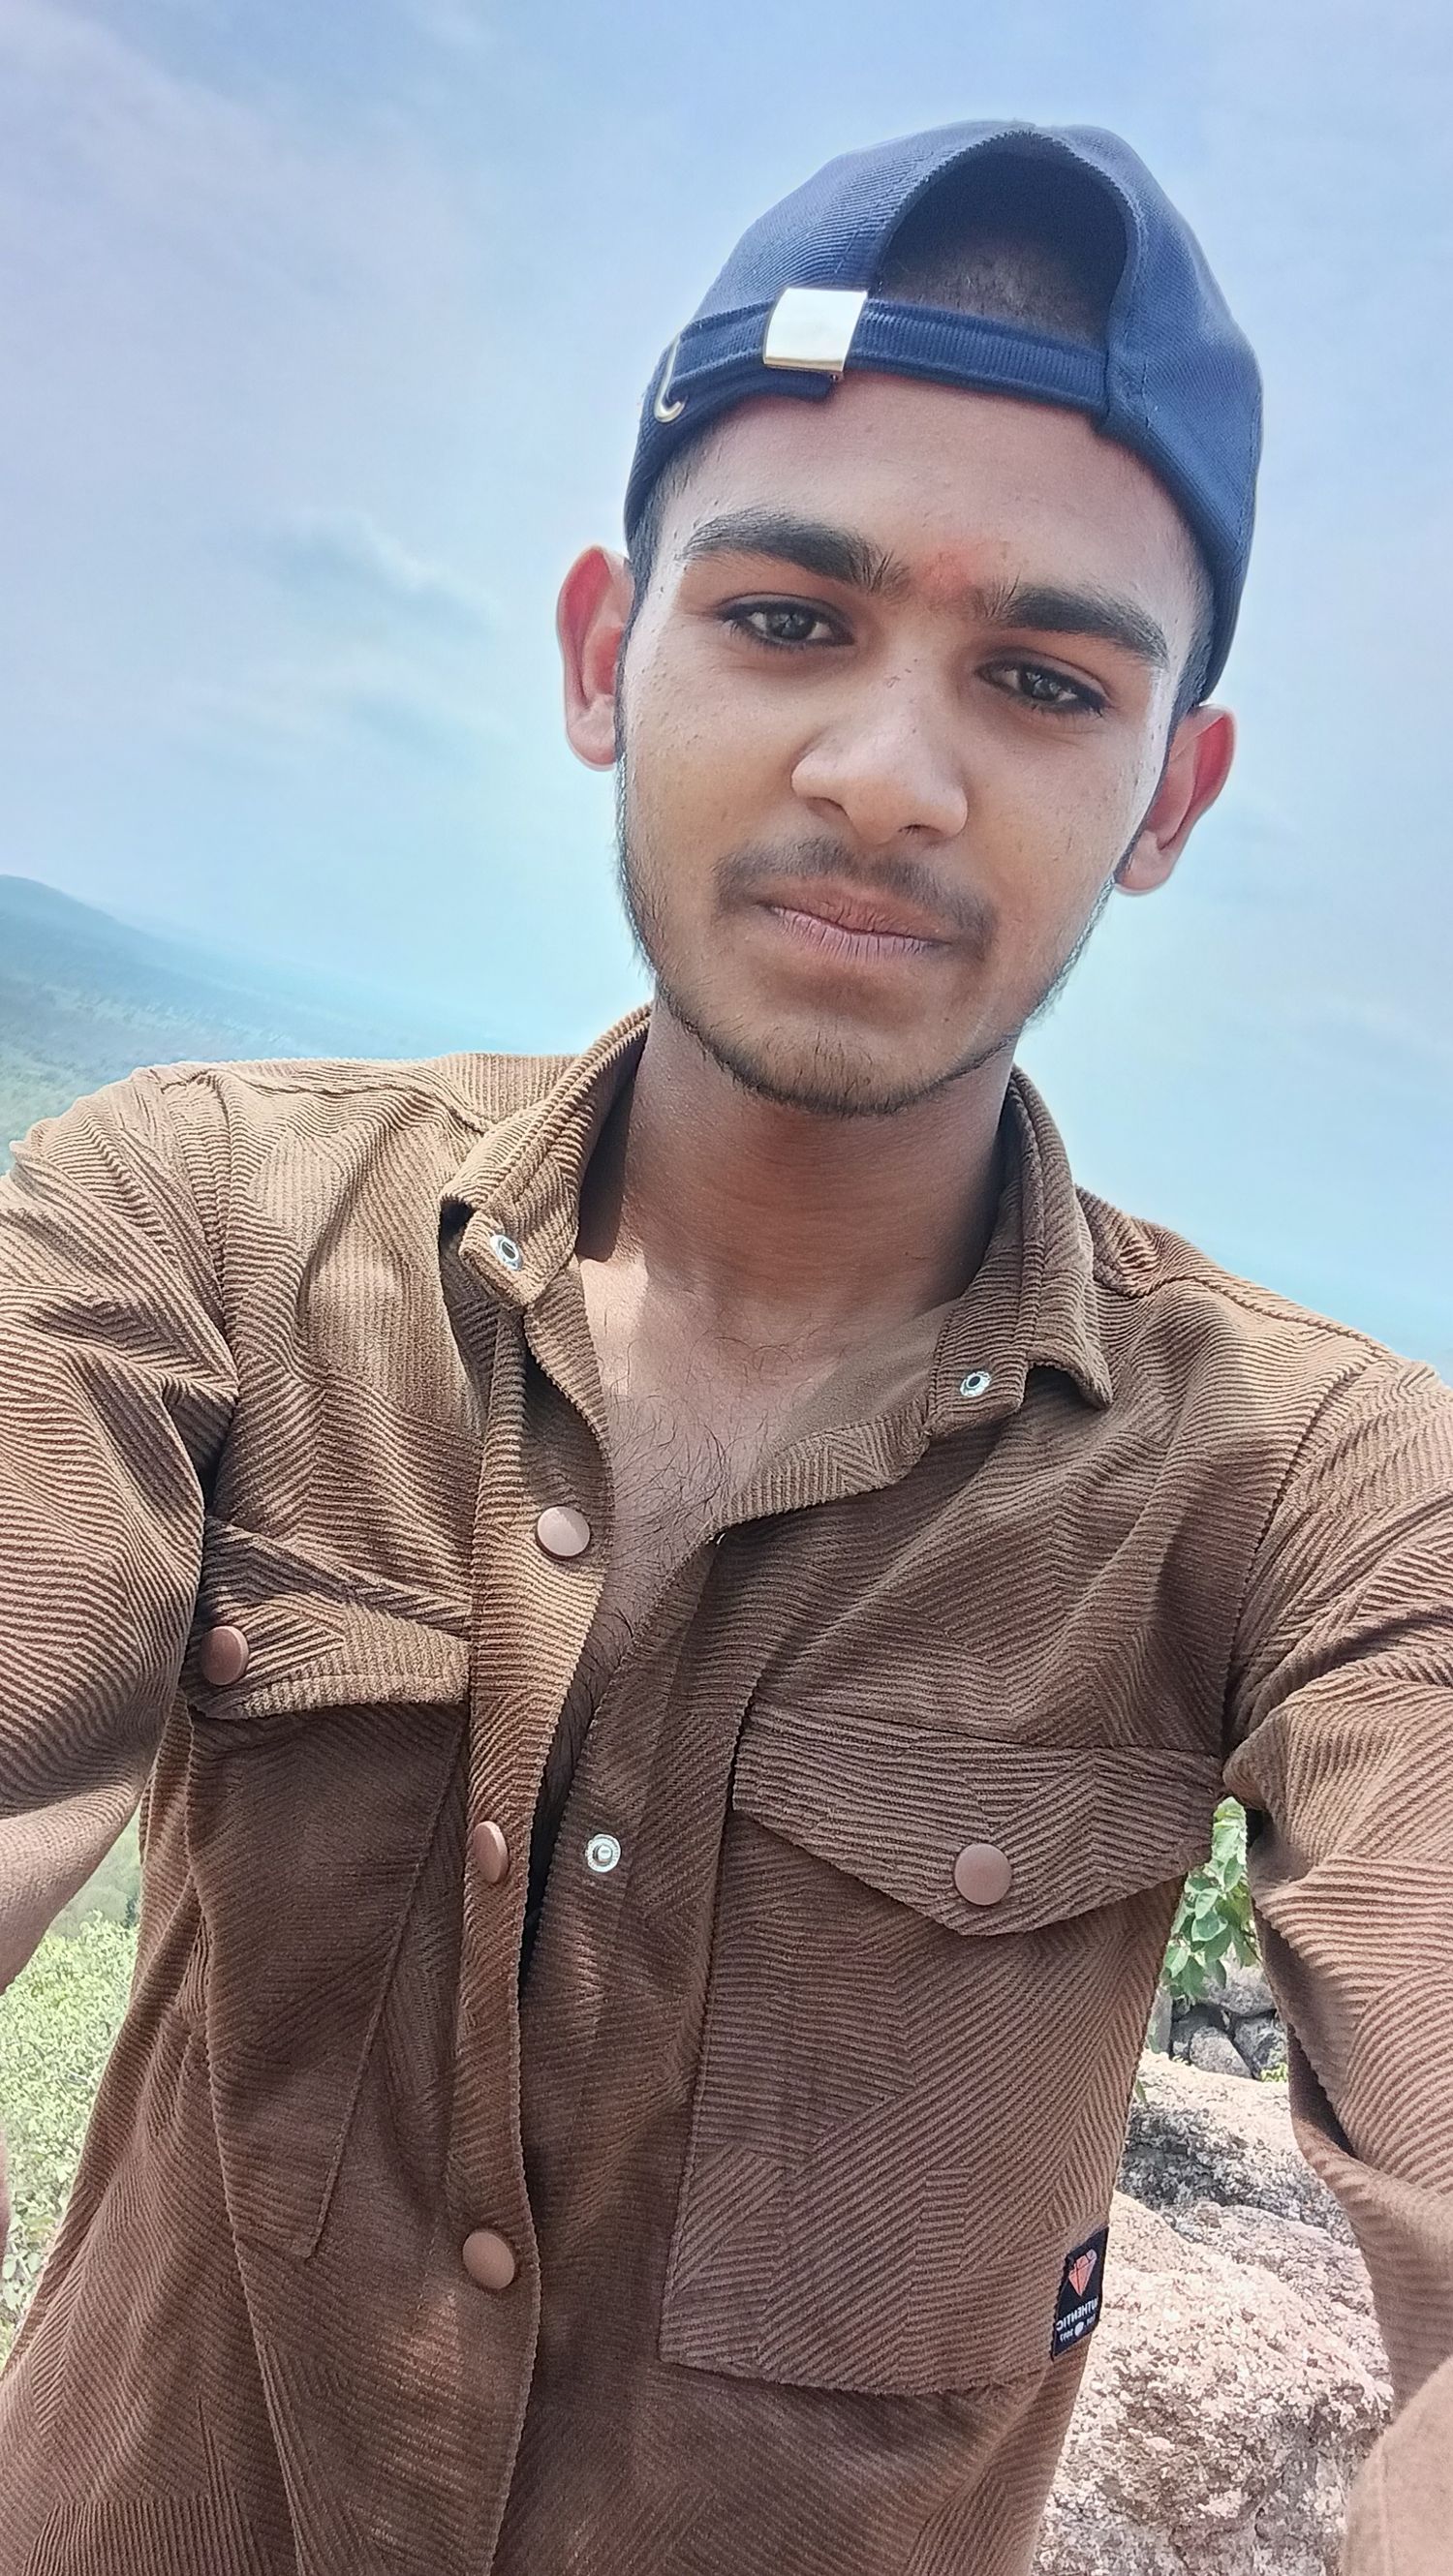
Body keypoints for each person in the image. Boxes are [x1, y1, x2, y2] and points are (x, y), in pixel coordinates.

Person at [0, 116, 1448, 2576]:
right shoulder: (205, 1223)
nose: (886, 776)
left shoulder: (1310, 1492)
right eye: (787, 618)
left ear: (1169, 795)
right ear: (606, 654)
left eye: (1042, 678)